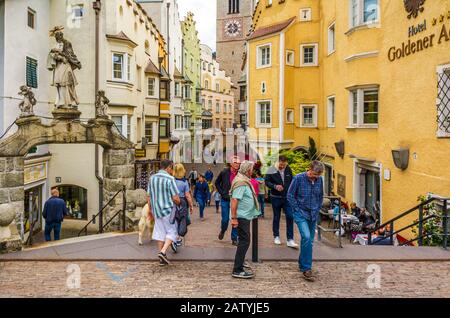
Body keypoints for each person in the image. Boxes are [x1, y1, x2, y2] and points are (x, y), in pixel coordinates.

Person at [287, 161, 324, 282]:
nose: (315, 177)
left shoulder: (320, 180)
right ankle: (306, 269)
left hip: (313, 214)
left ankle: (302, 263)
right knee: (307, 237)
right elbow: (290, 195)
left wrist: (318, 208)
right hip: (301, 213)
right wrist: (297, 210)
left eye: (318, 175)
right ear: (309, 169)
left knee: (309, 242)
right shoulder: (298, 178)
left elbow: (320, 196)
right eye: (314, 174)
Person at [147, 159, 181, 266]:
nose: (172, 171)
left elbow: (148, 196)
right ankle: (162, 252)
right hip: (168, 210)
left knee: (160, 232)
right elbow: (175, 198)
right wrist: (180, 202)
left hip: (156, 210)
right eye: (172, 168)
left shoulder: (152, 178)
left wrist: (150, 210)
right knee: (173, 231)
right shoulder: (170, 179)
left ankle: (162, 257)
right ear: (168, 168)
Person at [230, 161, 260, 279]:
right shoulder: (241, 182)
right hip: (241, 217)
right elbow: (234, 200)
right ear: (248, 170)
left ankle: (240, 262)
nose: (252, 171)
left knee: (244, 240)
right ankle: (237, 269)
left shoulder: (242, 179)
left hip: (244, 216)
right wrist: (234, 218)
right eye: (251, 169)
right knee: (245, 241)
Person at [265, 155, 298, 248]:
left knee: (290, 216)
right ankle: (276, 236)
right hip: (275, 197)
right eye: (281, 165)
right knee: (276, 217)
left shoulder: (288, 169)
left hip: (287, 197)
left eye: (284, 165)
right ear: (277, 162)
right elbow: (266, 181)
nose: (282, 167)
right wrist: (275, 186)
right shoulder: (271, 169)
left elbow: (292, 180)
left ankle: (290, 239)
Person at [215, 155, 241, 246]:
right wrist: (222, 193)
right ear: (230, 163)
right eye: (235, 162)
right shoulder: (224, 172)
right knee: (225, 219)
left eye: (238, 163)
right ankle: (223, 230)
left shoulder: (240, 174)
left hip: (236, 199)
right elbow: (217, 183)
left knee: (235, 219)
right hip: (226, 200)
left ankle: (234, 238)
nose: (237, 164)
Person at [171, 163, 194, 253]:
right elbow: (187, 195)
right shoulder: (184, 182)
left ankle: (175, 239)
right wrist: (191, 205)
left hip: (173, 202)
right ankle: (176, 239)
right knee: (183, 220)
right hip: (182, 202)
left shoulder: (172, 181)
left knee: (175, 220)